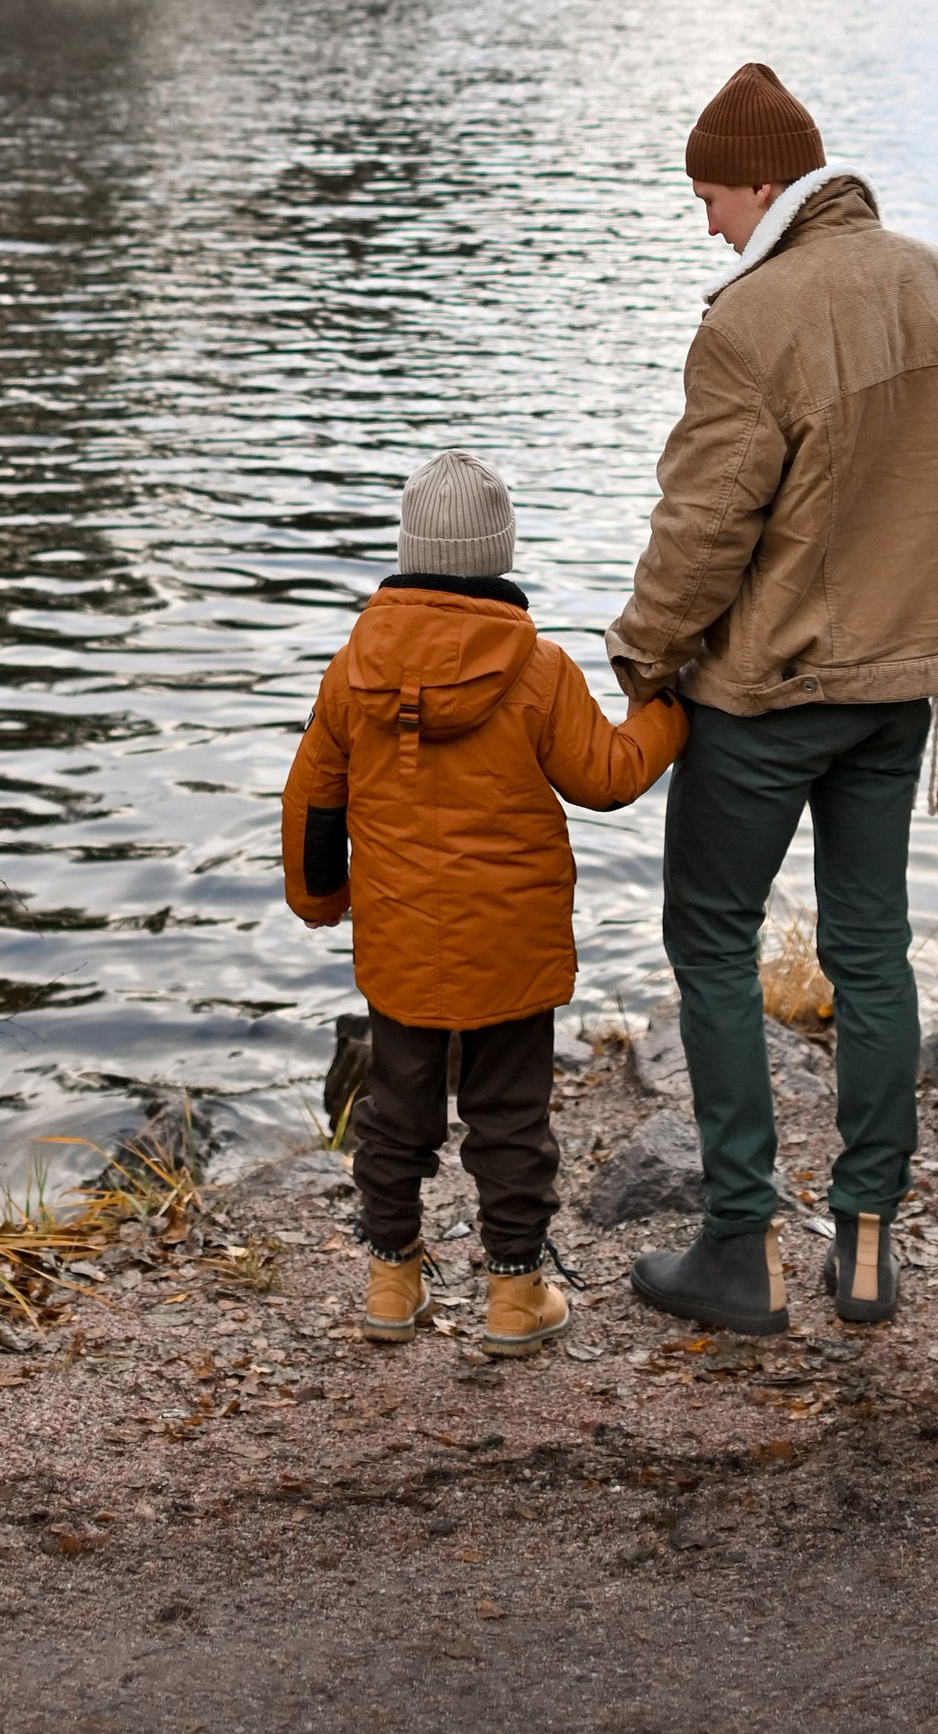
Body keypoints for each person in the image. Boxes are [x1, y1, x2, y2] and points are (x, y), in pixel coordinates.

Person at [606, 60, 938, 1338]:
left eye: (709, 198)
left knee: (709, 934)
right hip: (902, 689)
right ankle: (864, 1242)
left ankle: (739, 1242)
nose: (708, 226)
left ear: (760, 184)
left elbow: (701, 530)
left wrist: (641, 657)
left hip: (767, 695)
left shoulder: (754, 320)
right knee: (869, 945)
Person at [281, 447, 686, 1352]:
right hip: (512, 946)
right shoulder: (538, 669)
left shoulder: (353, 669)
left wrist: (319, 898)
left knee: (394, 1116)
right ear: (499, 553)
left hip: (399, 941)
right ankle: (513, 1295)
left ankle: (392, 1285)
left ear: (409, 551)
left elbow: (312, 797)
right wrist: (670, 712)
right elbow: (609, 778)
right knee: (510, 1120)